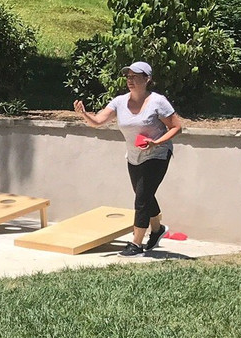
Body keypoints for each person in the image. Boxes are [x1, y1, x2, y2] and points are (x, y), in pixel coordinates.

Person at [73, 61, 184, 256]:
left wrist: (156, 143)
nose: (130, 80)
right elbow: (98, 121)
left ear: (147, 79)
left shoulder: (158, 101)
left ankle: (136, 243)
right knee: (144, 194)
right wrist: (84, 114)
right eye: (128, 76)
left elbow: (177, 127)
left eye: (135, 76)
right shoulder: (119, 102)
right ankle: (158, 229)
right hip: (134, 156)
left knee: (141, 198)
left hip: (157, 154)